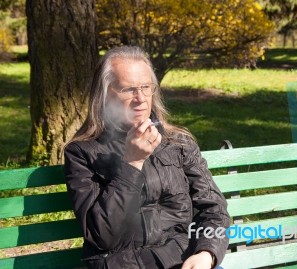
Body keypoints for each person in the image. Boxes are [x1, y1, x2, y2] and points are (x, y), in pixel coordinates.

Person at [63, 46, 230, 269]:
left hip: (185, 261)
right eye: (128, 89)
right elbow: (102, 236)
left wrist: (206, 253)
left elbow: (213, 208)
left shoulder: (178, 143)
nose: (140, 98)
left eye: (145, 87)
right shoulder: (82, 152)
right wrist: (132, 164)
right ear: (105, 95)